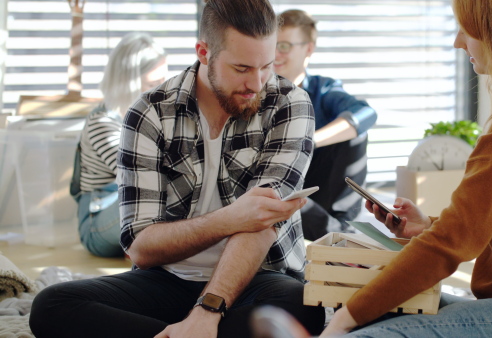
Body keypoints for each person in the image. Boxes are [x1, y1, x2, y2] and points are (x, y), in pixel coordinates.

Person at [30, 0, 325, 337]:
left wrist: (208, 309)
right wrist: (231, 218)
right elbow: (141, 245)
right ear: (203, 52)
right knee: (51, 306)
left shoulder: (290, 104)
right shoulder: (149, 113)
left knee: (304, 307)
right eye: (242, 68)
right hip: (168, 279)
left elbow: (260, 225)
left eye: (266, 66)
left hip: (258, 277)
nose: (256, 84)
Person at [320, 0, 492, 336]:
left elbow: (453, 243)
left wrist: (344, 319)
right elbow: (489, 223)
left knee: (358, 326)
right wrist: (429, 226)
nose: (457, 42)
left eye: (465, 29)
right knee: (378, 313)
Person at [275, 9, 378, 241]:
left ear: (308, 49)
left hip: (321, 189)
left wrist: (309, 141)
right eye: (270, 44)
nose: (275, 54)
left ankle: (341, 230)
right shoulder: (255, 91)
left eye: (283, 46)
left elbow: (365, 113)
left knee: (353, 131)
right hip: (280, 186)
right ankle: (343, 238)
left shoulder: (323, 89)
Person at [70, 32, 168, 257]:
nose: (162, 90)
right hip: (98, 222)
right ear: (129, 82)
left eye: (164, 81)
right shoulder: (102, 122)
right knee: (155, 192)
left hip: (130, 215)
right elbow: (138, 176)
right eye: (153, 83)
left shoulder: (151, 116)